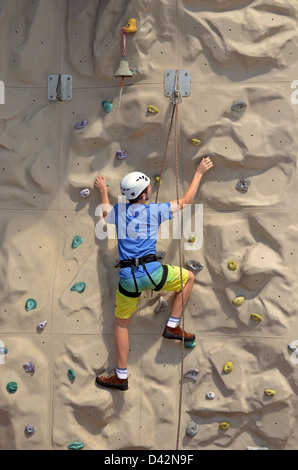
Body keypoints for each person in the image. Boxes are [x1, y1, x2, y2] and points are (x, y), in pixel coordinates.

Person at [94, 157, 213, 391]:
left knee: (121, 325)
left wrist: (102, 191)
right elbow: (186, 201)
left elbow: (105, 215)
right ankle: (172, 326)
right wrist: (199, 172)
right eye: (148, 188)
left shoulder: (119, 211)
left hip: (129, 279)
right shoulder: (155, 211)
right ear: (145, 194)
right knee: (188, 278)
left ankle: (121, 376)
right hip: (153, 274)